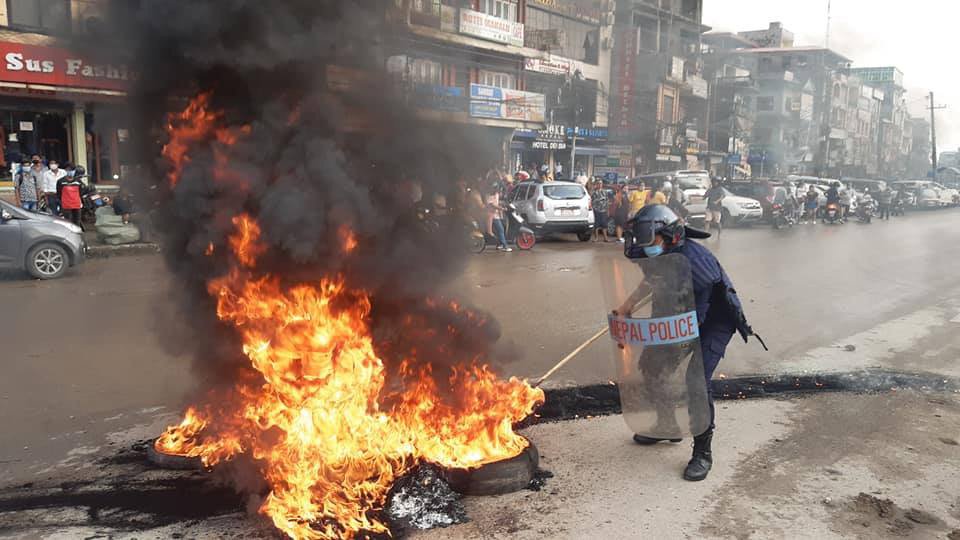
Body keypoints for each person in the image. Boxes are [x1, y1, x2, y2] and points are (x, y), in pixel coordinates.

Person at [618, 204, 757, 481]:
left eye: (650, 238)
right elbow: (653, 281)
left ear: (670, 236)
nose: (645, 245)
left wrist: (679, 344)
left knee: (696, 380)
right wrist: (627, 306)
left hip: (711, 322)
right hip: (678, 320)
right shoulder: (661, 255)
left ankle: (703, 452)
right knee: (653, 365)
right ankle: (667, 424)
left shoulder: (695, 260)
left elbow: (698, 308)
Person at [485, 183, 512, 252]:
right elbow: (493, 205)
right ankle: (505, 246)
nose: (498, 191)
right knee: (501, 230)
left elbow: (497, 202)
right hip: (492, 215)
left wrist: (503, 204)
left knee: (501, 229)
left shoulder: (496, 193)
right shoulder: (488, 195)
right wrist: (501, 208)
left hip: (496, 214)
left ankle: (499, 245)